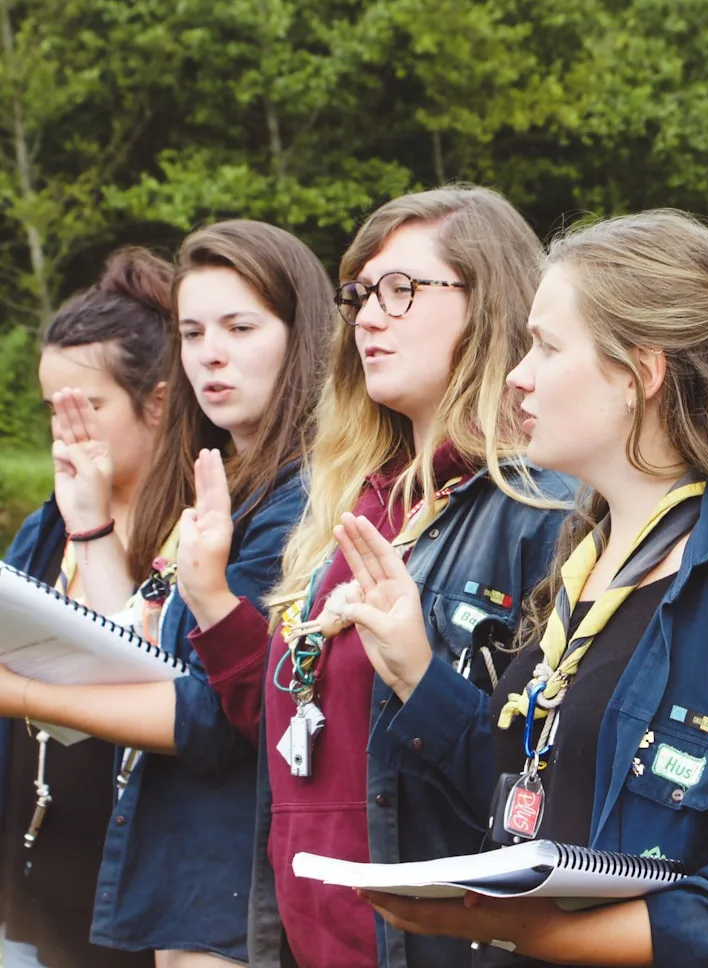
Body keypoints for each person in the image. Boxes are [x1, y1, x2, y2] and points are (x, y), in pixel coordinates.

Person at [342, 209, 708, 968]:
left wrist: (542, 935)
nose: (518, 375)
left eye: (546, 347)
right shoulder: (582, 563)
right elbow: (519, 792)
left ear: (638, 374)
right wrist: (414, 669)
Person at [179, 184, 576, 968]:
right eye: (359, 294)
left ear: (489, 304)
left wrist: (423, 675)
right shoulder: (352, 497)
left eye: (402, 290)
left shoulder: (544, 507)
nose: (364, 317)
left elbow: (549, 784)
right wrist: (213, 604)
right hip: (307, 942)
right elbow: (304, 731)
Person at [0, 220, 333, 968]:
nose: (210, 352)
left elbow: (212, 718)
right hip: (172, 901)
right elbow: (144, 665)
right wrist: (87, 528)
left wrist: (20, 693)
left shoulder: (303, 501)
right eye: (192, 332)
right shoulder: (226, 485)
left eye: (240, 326)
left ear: (301, 334)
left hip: (236, 903)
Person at [2, 247, 173, 968]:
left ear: (159, 403)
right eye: (53, 408)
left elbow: (172, 701)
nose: (67, 429)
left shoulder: (196, 537)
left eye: (89, 406)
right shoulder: (45, 527)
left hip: (132, 909)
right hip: (28, 890)